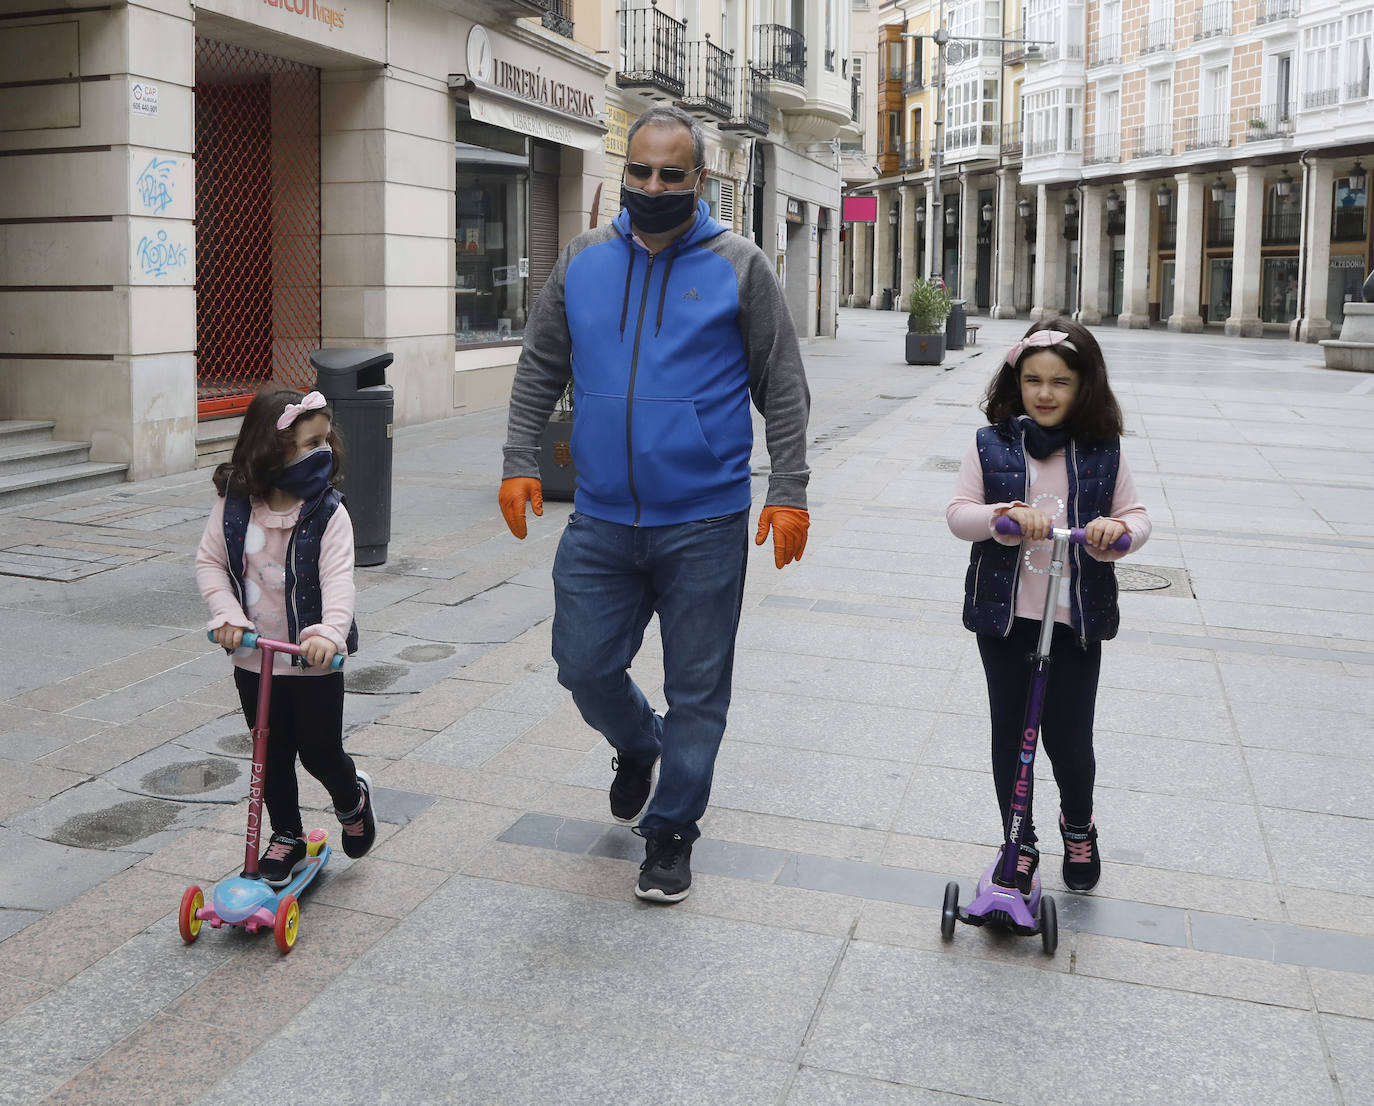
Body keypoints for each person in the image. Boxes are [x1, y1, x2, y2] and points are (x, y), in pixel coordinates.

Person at [498, 105, 811, 904]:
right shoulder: (582, 260)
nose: (653, 185)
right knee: (583, 665)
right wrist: (518, 461)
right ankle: (639, 743)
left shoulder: (741, 265)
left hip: (703, 520)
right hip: (600, 516)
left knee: (699, 689)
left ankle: (671, 832)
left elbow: (783, 388)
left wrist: (788, 492)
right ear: (624, 170)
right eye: (640, 170)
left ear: (698, 179)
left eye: (672, 173)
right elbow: (539, 366)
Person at [947, 319, 1151, 894]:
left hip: (1074, 622)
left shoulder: (1102, 452)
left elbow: (1138, 517)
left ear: (1083, 387)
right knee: (1011, 733)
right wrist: (1001, 517)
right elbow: (960, 513)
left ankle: (1078, 823)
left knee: (1069, 739)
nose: (1044, 393)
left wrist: (1118, 531)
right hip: (1006, 622)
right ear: (1017, 384)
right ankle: (1021, 838)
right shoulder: (990, 445)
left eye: (1059, 382)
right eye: (1033, 380)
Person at [195, 388, 376, 887]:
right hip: (255, 660)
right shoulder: (235, 506)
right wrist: (228, 616)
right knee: (268, 751)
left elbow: (340, 579)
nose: (321, 453)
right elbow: (210, 563)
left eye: (325, 443)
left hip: (313, 661)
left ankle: (351, 798)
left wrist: (329, 634)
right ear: (271, 450)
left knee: (319, 752)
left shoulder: (327, 512)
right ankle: (287, 835)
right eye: (308, 444)